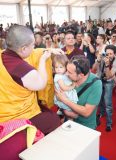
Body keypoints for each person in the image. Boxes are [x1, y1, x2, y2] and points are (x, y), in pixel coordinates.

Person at [0, 25, 60, 159]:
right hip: (16, 114)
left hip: (2, 107)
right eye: (33, 45)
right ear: (23, 49)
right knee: (53, 120)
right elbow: (40, 83)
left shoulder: (4, 54)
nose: (35, 48)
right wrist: (43, 60)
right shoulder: (21, 68)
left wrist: (47, 49)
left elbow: (35, 53)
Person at [55, 55, 102, 129]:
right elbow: (58, 95)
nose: (66, 73)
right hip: (68, 123)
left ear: (81, 75)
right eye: (66, 70)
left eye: (69, 72)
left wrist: (65, 100)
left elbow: (86, 112)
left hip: (85, 126)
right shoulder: (65, 76)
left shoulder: (96, 83)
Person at [92, 45, 116, 131]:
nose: (108, 55)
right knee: (100, 99)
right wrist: (98, 60)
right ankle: (101, 112)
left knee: (108, 103)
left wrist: (107, 65)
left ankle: (109, 123)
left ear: (115, 54)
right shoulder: (102, 58)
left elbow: (108, 76)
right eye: (107, 53)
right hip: (99, 80)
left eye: (111, 54)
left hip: (109, 82)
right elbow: (93, 69)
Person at [52, 54, 78, 119]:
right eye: (56, 67)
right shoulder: (58, 76)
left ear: (65, 66)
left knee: (72, 109)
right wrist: (73, 86)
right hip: (65, 94)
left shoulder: (65, 74)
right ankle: (66, 116)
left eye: (61, 67)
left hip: (67, 94)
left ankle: (64, 115)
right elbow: (64, 88)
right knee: (70, 111)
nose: (58, 69)